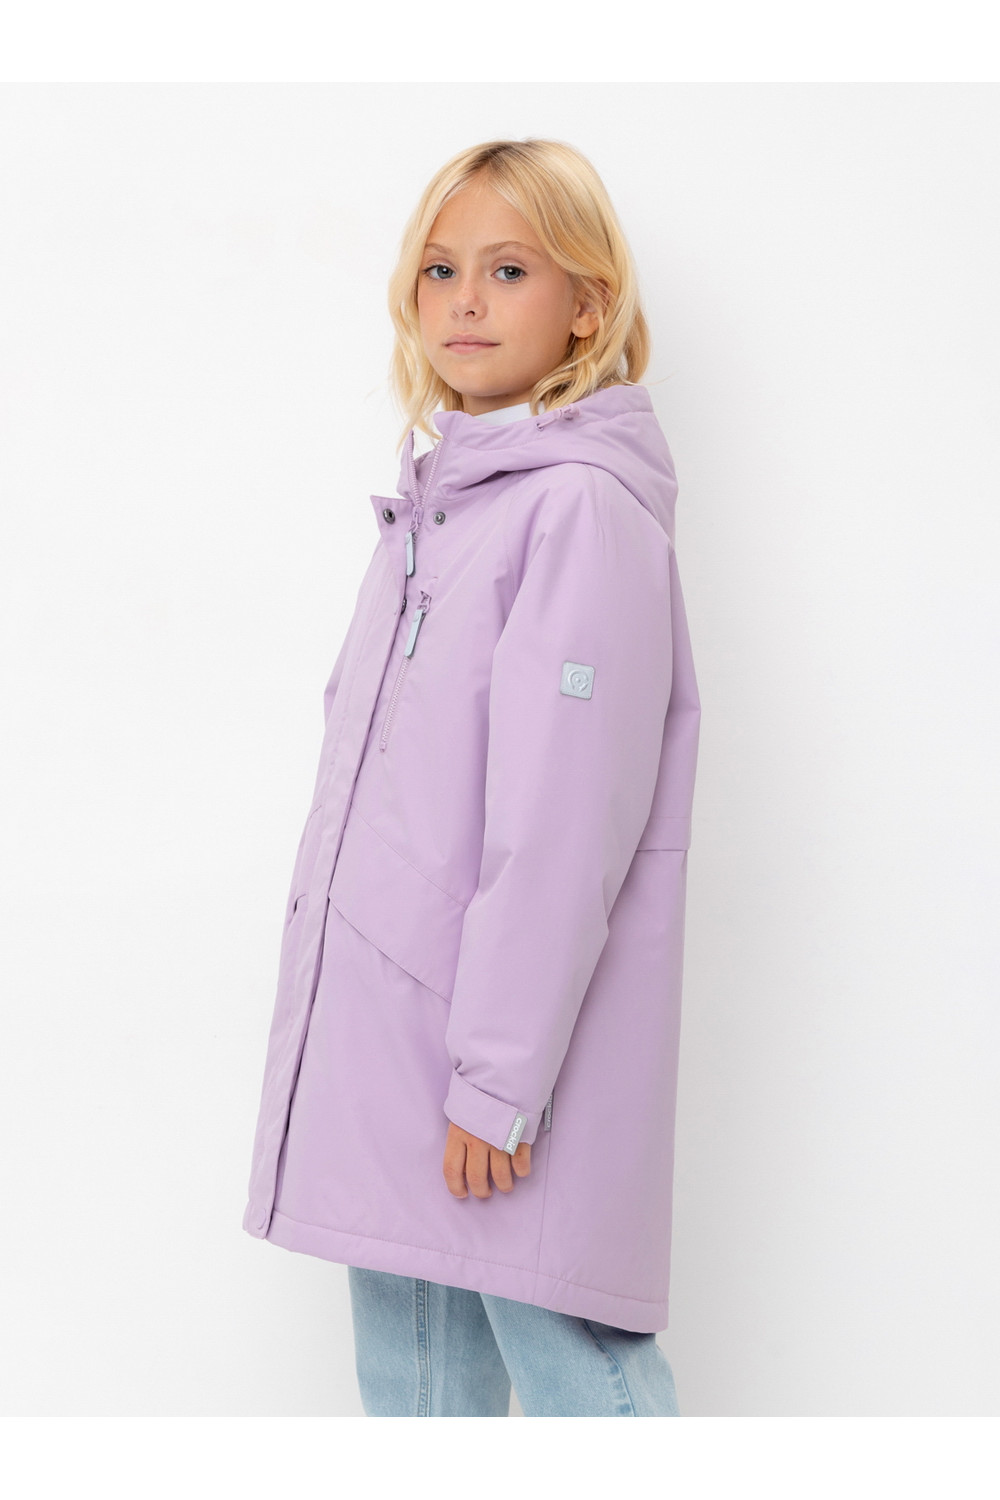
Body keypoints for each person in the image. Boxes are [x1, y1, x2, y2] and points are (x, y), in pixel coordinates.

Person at [241, 137, 701, 1417]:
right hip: (393, 1043)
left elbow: (561, 828)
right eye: (440, 269)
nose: (464, 301)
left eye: (508, 270)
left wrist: (497, 1079)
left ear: (587, 305)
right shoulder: (435, 512)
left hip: (498, 1068)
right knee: (415, 1390)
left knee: (578, 1376)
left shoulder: (577, 514)